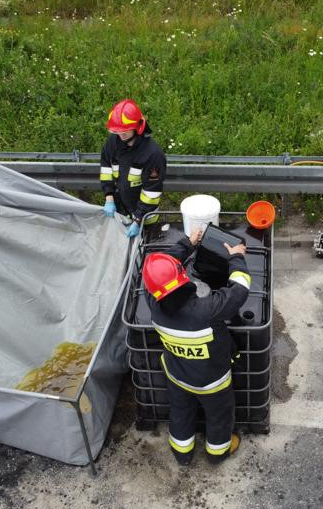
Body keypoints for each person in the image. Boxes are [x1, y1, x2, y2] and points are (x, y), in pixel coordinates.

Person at [142, 227, 250, 465]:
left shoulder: (153, 302)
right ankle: (217, 453)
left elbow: (158, 273)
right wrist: (237, 257)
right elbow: (239, 289)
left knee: (180, 413)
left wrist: (187, 243)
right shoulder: (207, 310)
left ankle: (182, 453)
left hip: (177, 376)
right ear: (182, 277)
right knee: (219, 416)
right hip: (212, 382)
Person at [99, 98, 166, 238]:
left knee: (144, 248)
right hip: (120, 208)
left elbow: (151, 193)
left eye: (125, 131)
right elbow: (106, 168)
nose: (120, 135)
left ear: (137, 127)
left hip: (145, 217)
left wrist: (138, 220)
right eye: (117, 131)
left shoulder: (152, 154)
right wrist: (109, 198)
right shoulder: (113, 142)